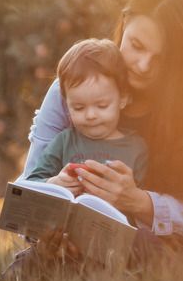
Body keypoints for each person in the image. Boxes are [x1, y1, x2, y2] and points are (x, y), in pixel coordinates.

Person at [14, 0, 183, 270]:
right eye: (136, 46)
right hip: (74, 249)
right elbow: (22, 199)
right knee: (32, 267)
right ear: (124, 22)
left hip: (164, 254)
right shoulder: (74, 90)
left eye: (161, 59)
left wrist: (138, 201)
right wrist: (52, 189)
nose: (143, 65)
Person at [24, 38, 147, 189]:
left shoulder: (136, 148)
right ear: (66, 104)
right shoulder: (64, 142)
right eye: (78, 108)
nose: (90, 115)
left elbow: (141, 198)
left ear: (122, 99)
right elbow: (30, 183)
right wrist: (53, 183)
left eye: (102, 106)